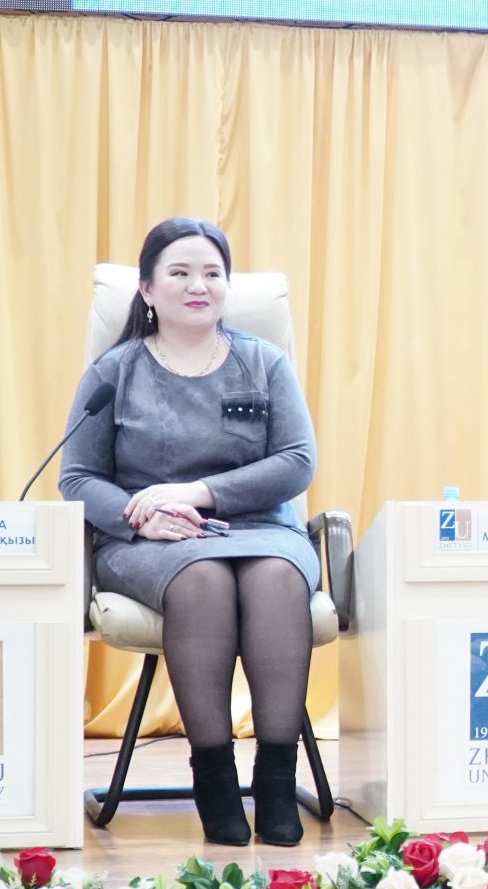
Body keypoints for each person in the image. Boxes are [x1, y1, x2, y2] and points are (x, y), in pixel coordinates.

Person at [60, 216, 321, 845]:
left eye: (212, 273)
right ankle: (215, 783)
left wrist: (196, 492)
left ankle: (277, 781)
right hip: (151, 540)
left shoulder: (263, 362)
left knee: (277, 580)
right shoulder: (114, 372)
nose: (198, 285)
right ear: (148, 289)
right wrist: (141, 514)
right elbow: (77, 477)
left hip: (261, 528)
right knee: (203, 580)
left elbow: (297, 462)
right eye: (179, 272)